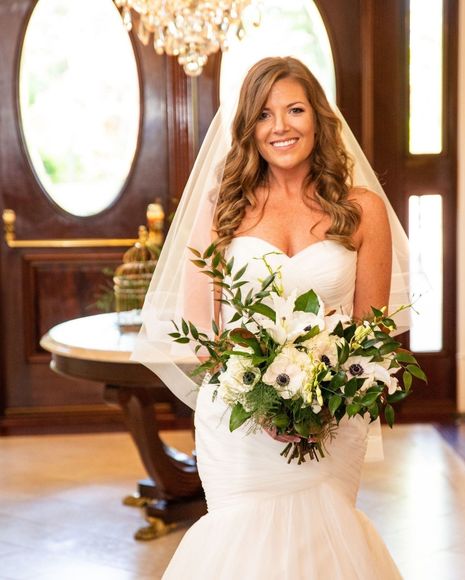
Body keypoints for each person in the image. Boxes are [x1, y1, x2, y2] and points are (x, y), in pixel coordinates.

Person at [136, 57, 410, 579]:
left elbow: (371, 335)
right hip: (238, 420)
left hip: (333, 420)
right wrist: (261, 403)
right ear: (249, 127)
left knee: (324, 550)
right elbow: (203, 332)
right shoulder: (222, 209)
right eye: (264, 114)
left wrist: (325, 404)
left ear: (319, 118)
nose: (280, 126)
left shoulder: (362, 209)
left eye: (295, 110)